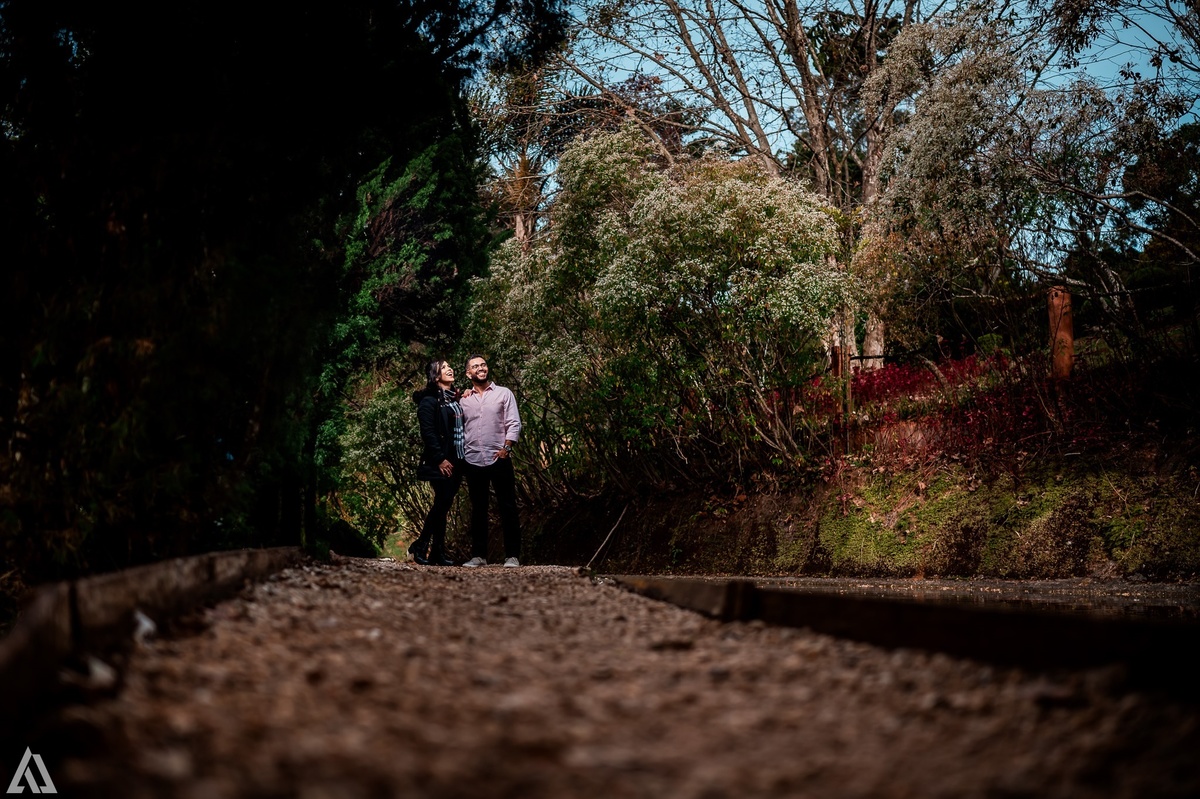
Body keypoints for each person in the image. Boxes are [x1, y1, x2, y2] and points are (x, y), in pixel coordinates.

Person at [459, 354, 523, 567]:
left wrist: (507, 448)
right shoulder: (463, 400)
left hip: (499, 458)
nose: (481, 368)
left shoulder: (504, 394)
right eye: (475, 366)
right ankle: (479, 556)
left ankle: (512, 556)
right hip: (473, 459)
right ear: (469, 373)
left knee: (508, 507)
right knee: (478, 509)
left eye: (483, 364)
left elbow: (514, 423)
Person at [409, 359, 466, 566]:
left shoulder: (454, 398)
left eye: (450, 366)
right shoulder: (429, 400)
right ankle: (422, 544)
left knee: (443, 505)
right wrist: (440, 459)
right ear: (435, 376)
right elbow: (428, 432)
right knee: (442, 503)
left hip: (458, 459)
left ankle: (437, 553)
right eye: (443, 368)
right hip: (441, 461)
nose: (449, 369)